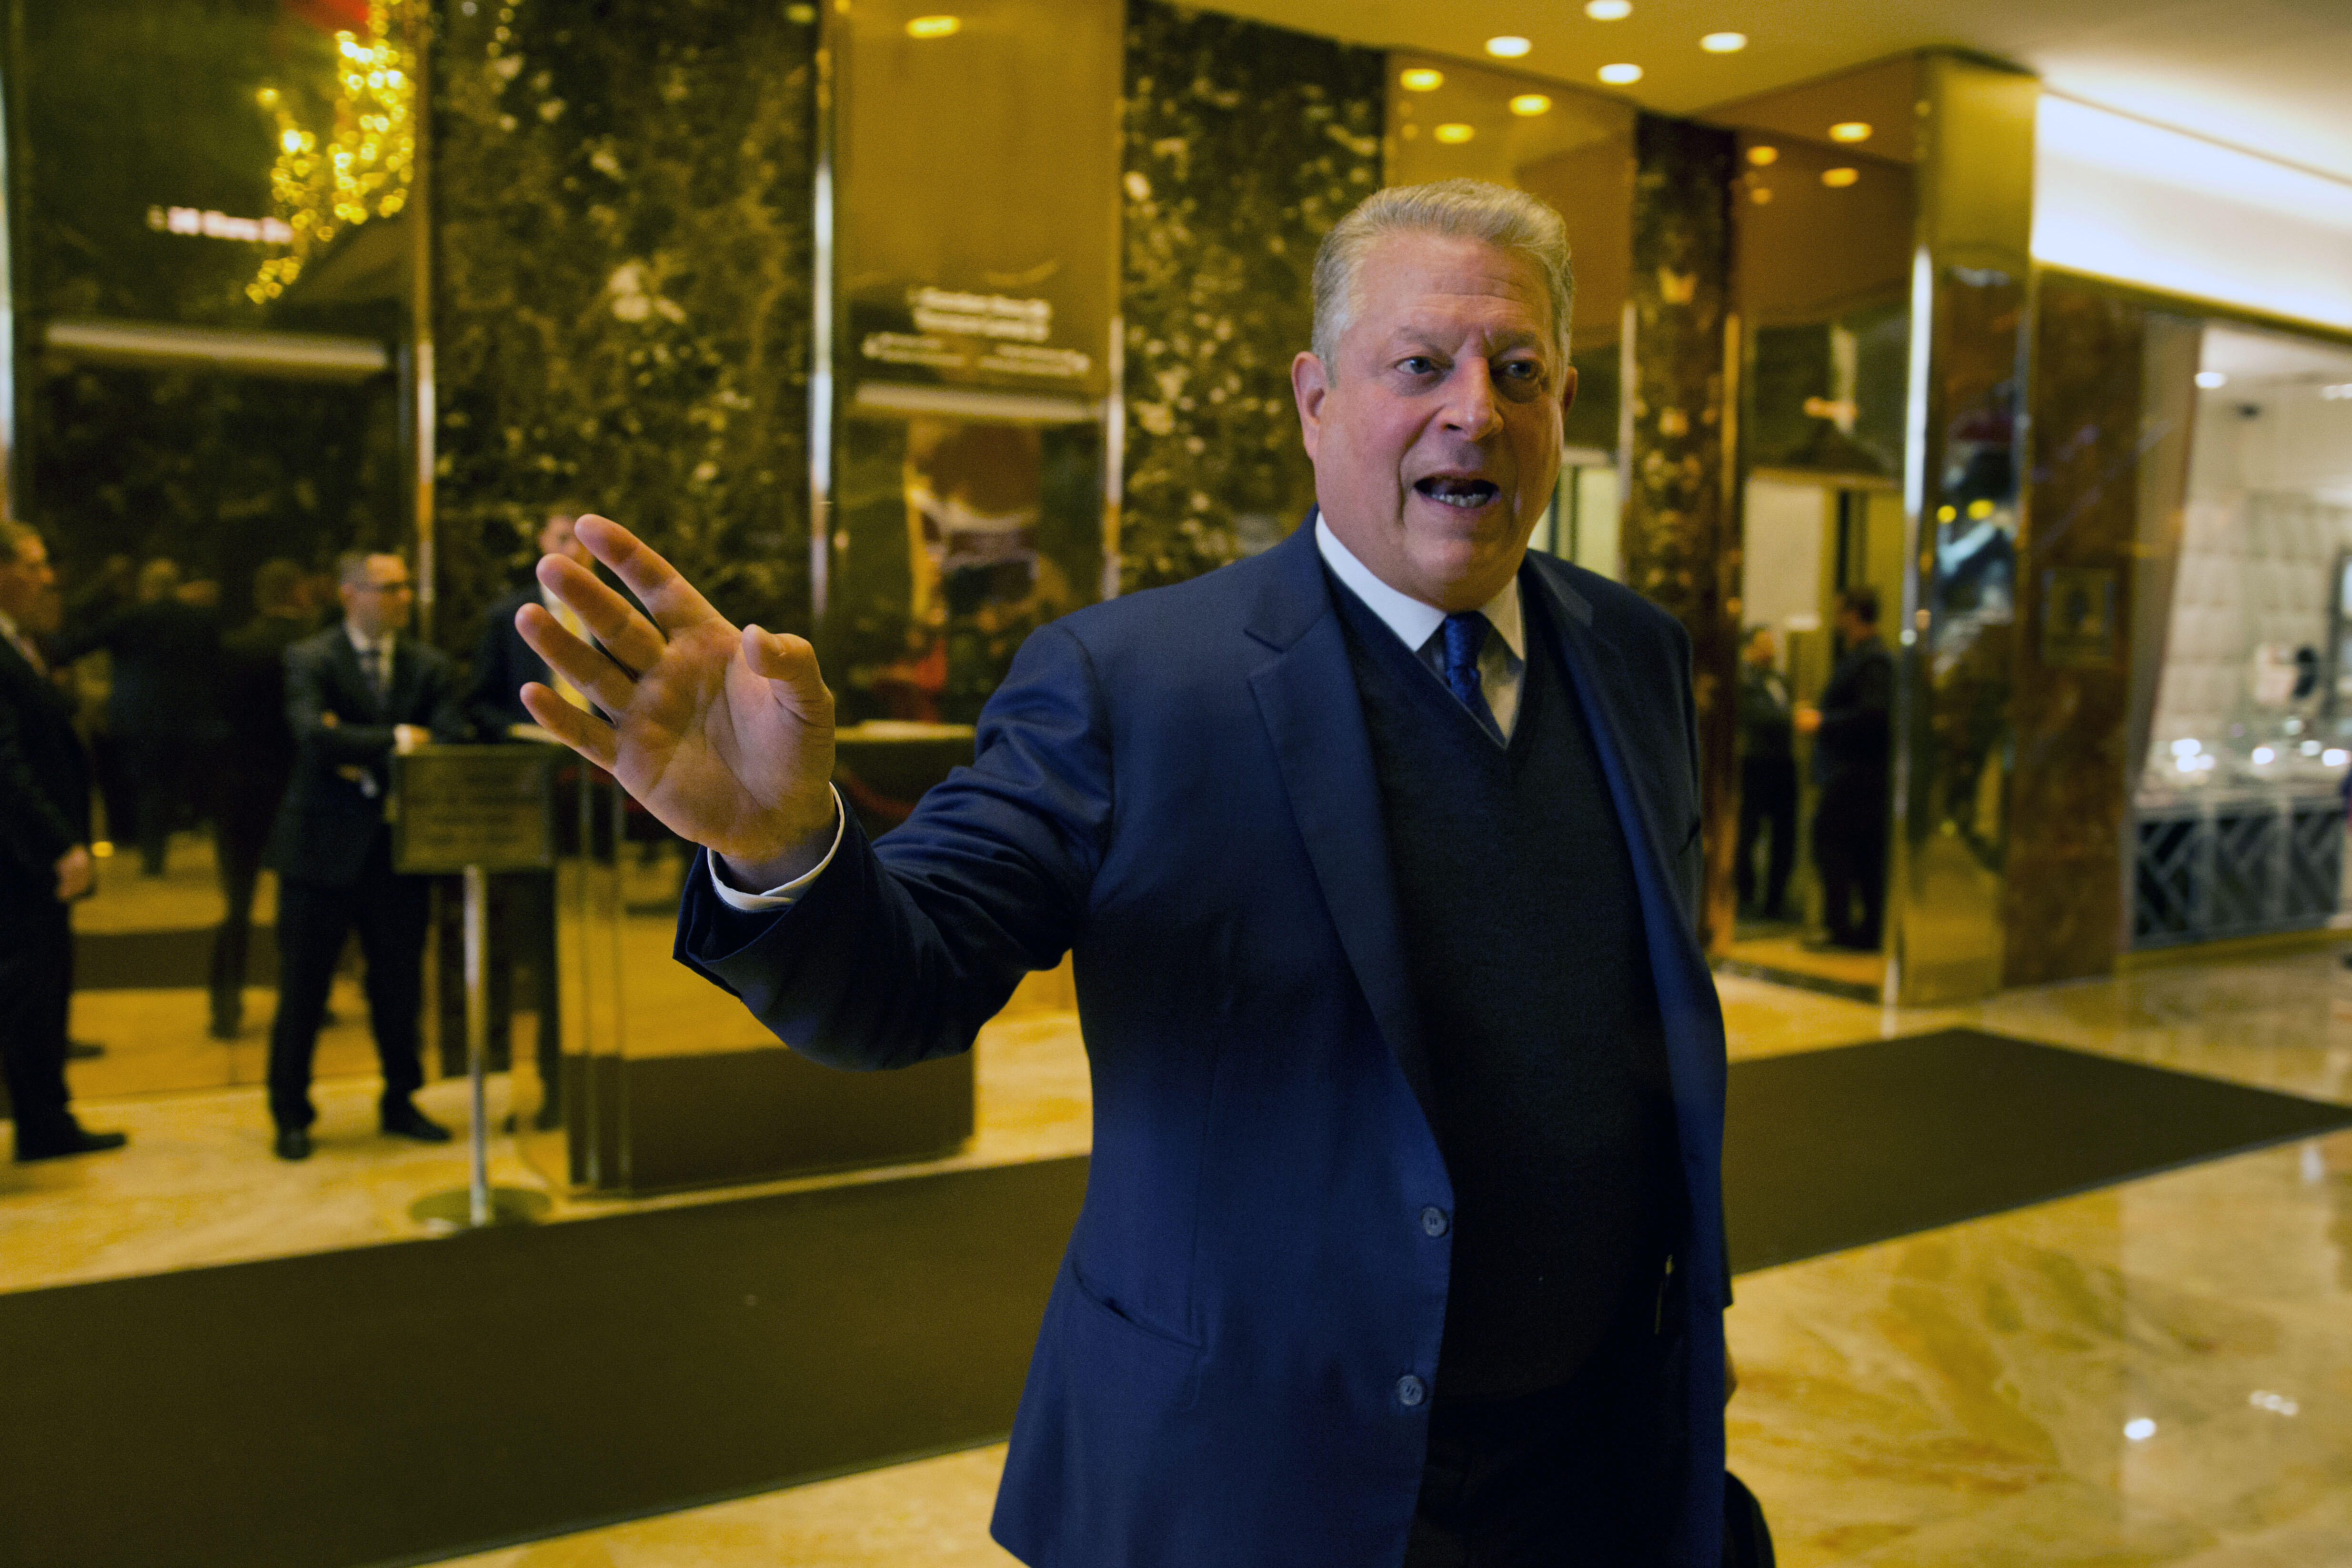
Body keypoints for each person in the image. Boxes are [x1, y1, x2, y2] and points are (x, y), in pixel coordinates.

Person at [520, 180, 1737, 1567]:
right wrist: (781, 848)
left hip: (1593, 1472)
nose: (1474, 407)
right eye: (1419, 365)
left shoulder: (1632, 651)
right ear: (1313, 398)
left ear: (1562, 399)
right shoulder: (1130, 679)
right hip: (1256, 1480)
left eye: (1515, 369)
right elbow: (903, 983)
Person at [262, 551, 467, 1161]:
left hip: (396, 853)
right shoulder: (311, 658)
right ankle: (291, 1112)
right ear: (350, 593)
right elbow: (314, 736)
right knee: (304, 989)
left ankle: (401, 1099)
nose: (402, 597)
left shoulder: (428, 666)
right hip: (318, 853)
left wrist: (359, 746)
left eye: (406, 587)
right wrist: (403, 739)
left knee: (399, 987)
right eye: (388, 587)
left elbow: (450, 738)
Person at [462, 507, 593, 1127]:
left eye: (585, 542)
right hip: (530, 797)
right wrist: (519, 733)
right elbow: (478, 706)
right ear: (543, 543)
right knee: (532, 951)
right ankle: (532, 1087)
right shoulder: (507, 616)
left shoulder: (617, 620)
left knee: (586, 950)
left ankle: (577, 1083)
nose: (575, 551)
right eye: (564, 538)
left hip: (600, 806)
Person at [0, 520, 128, 1161]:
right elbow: (6, 766)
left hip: (28, 859)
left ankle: (45, 1121)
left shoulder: (24, 644)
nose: (44, 578)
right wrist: (59, 845)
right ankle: (43, 1121)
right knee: (25, 996)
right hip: (19, 863)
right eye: (32, 564)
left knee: (41, 996)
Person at [56, 556, 225, 875]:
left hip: (140, 716)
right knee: (194, 785)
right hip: (192, 716)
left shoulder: (130, 618)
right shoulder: (201, 620)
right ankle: (210, 849)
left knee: (149, 787)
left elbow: (77, 644)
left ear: (146, 587)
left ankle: (153, 858)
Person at [206, 559, 313, 1039]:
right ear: (297, 592)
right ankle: (304, 998)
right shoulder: (309, 648)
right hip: (294, 785)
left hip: (238, 787)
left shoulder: (234, 648)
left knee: (238, 903)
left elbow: (217, 719)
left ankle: (224, 1003)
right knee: (301, 902)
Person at [1797, 585, 1893, 951]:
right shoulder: (1867, 657)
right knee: (1863, 851)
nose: (1837, 620)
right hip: (1859, 772)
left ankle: (1841, 928)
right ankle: (1865, 930)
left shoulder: (1873, 661)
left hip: (1856, 772)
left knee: (1835, 845)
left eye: (1840, 612)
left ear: (1854, 614)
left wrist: (1822, 722)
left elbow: (1874, 715)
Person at [1733, 627, 1797, 922]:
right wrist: (1794, 718)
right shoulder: (1745, 680)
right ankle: (1745, 898)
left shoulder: (1780, 679)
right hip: (1756, 763)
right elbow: (1758, 716)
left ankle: (1775, 901)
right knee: (1748, 833)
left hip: (1782, 764)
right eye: (1763, 646)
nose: (1770, 652)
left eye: (1772, 645)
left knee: (1785, 835)